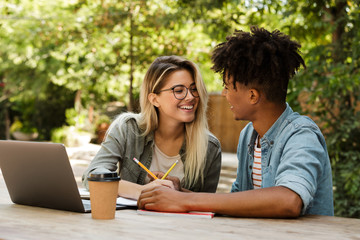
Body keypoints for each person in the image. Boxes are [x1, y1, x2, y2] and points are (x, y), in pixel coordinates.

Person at [138, 26, 334, 217]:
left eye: (228, 87)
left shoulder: (302, 135)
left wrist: (184, 201)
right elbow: (238, 202)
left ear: (252, 96)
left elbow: (289, 201)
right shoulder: (249, 135)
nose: (224, 94)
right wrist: (181, 194)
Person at [82, 55, 222, 200]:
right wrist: (143, 191)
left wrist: (179, 192)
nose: (191, 97)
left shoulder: (209, 147)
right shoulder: (127, 128)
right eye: (179, 90)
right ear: (154, 99)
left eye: (194, 89)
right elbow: (92, 176)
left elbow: (207, 203)